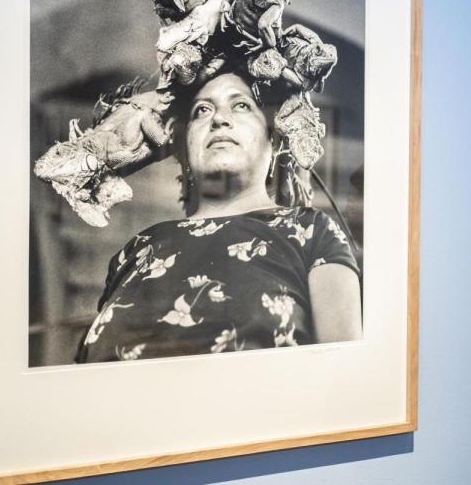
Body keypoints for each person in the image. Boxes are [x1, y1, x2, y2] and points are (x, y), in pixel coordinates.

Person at [75, 70, 362, 362]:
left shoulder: (312, 230)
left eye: (241, 105)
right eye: (202, 110)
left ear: (273, 141)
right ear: (187, 146)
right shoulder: (139, 247)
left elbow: (343, 371)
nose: (219, 119)